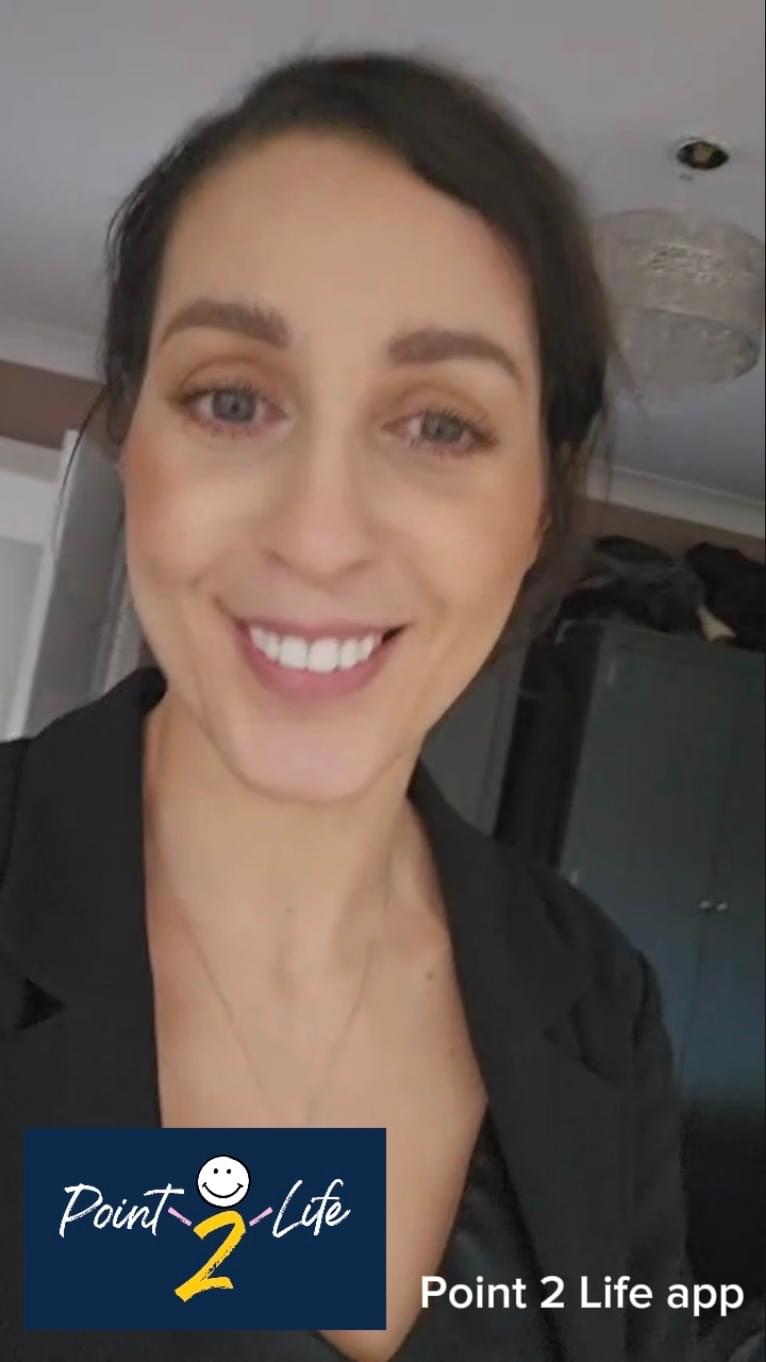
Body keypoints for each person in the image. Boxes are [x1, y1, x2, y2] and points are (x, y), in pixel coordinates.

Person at [0, 47, 696, 1362]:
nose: (319, 537)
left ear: (535, 508)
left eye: (439, 425)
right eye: (231, 399)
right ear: (131, 440)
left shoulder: (600, 1001)